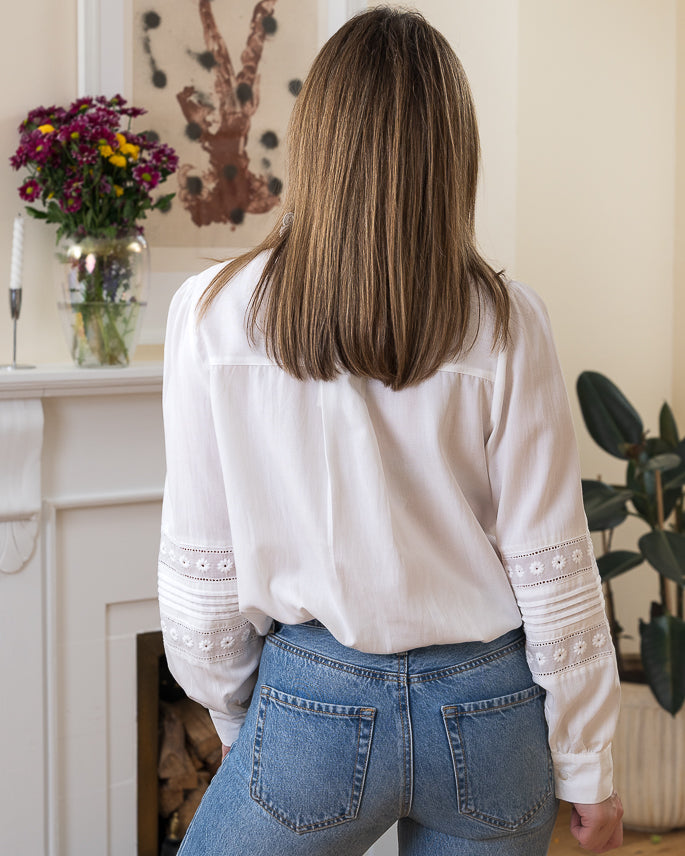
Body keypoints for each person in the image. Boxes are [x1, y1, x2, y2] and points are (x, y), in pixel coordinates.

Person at [158, 7, 623, 855]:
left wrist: (230, 711)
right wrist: (586, 764)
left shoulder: (210, 314)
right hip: (490, 712)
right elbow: (552, 565)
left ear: (315, 139)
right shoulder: (509, 320)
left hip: (309, 708)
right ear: (454, 153)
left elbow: (203, 561)